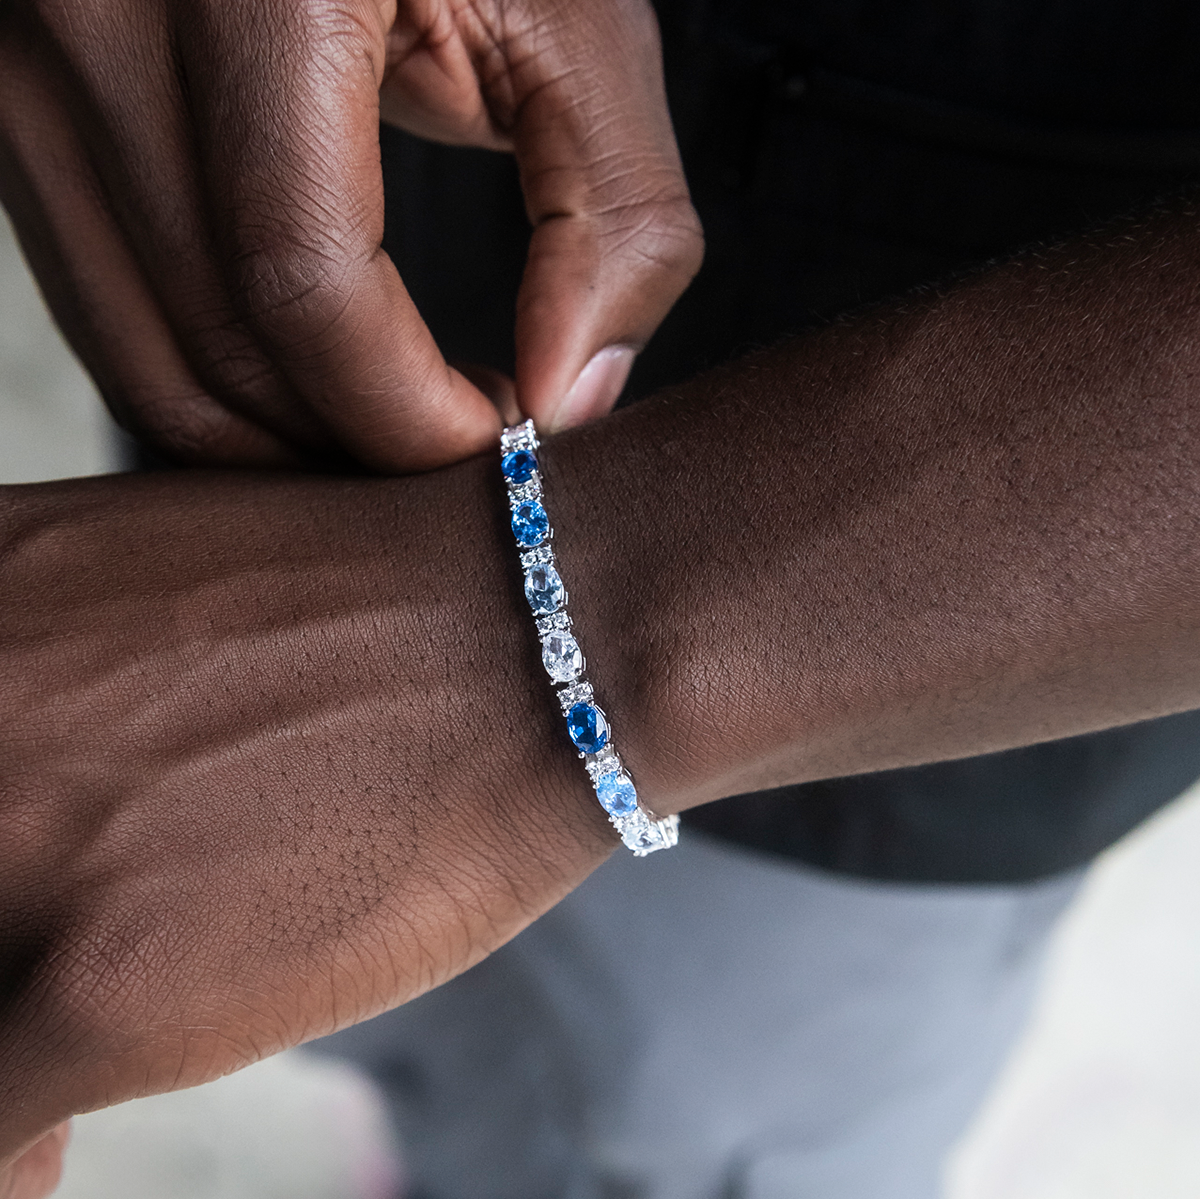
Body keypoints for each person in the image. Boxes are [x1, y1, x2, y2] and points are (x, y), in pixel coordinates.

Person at [1, 1, 1199, 1196]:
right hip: (359, 233)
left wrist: (528, 644)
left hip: (936, 653)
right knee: (288, 967)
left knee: (685, 1104)